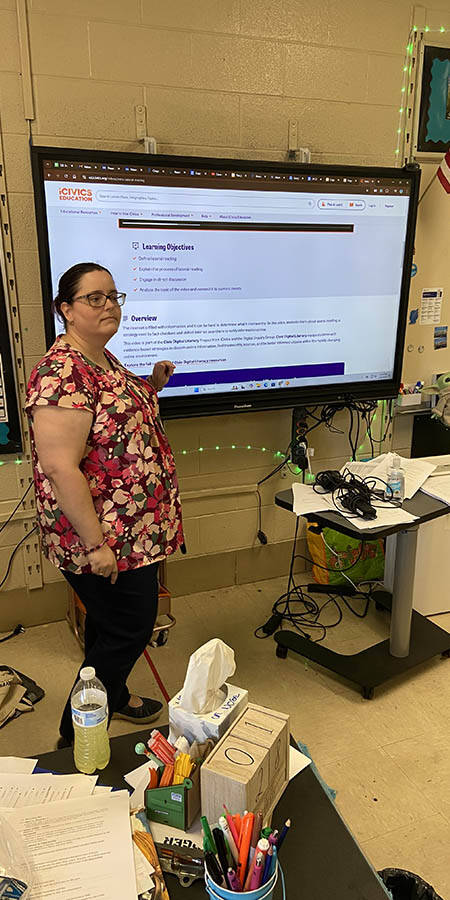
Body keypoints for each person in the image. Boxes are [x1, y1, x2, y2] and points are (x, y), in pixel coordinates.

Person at [25, 262, 184, 747]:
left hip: (133, 531)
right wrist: (96, 545)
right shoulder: (60, 374)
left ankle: (109, 697)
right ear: (65, 309)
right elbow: (59, 467)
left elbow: (109, 417)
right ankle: (73, 739)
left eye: (114, 296)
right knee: (129, 629)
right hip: (102, 538)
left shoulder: (100, 359)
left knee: (107, 625)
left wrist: (151, 385)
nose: (108, 305)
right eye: (94, 297)